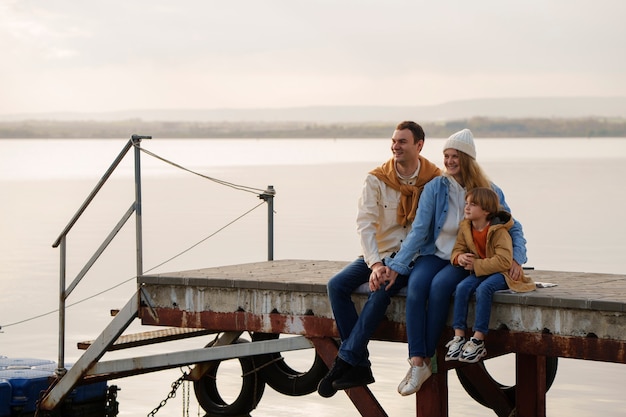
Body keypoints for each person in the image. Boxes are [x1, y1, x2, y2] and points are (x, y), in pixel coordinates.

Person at [372, 128, 528, 396]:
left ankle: (428, 357)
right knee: (417, 288)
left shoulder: (489, 191)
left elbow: (512, 226)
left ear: (467, 158)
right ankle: (417, 360)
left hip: (465, 259)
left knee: (440, 289)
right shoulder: (435, 188)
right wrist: (398, 266)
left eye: (455, 156)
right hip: (434, 254)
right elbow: (419, 231)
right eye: (446, 155)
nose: (449, 161)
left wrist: (517, 258)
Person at [317, 121, 441, 398]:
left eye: (402, 142)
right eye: (394, 141)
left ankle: (345, 361)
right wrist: (375, 264)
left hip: (414, 256)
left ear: (419, 145)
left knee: (381, 292)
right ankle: (358, 362)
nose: (395, 146)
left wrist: (396, 265)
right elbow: (365, 225)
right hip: (379, 253)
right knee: (337, 285)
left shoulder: (435, 180)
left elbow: (427, 231)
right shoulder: (376, 178)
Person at [444, 187, 535, 363]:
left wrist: (476, 264)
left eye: (473, 204)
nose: (467, 208)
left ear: (486, 210)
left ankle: (478, 338)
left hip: (502, 273)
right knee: (462, 287)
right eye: (467, 203)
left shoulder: (499, 230)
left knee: (484, 289)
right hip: (481, 271)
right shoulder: (466, 227)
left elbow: (504, 261)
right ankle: (459, 336)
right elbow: (457, 249)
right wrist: (459, 258)